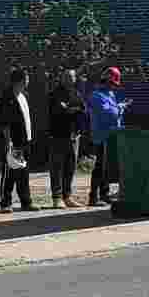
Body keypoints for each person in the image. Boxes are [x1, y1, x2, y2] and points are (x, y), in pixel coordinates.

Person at [0, 71, 37, 210]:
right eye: (26, 79)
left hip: (24, 141)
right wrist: (8, 142)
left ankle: (26, 202)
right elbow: (4, 123)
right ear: (19, 81)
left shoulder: (24, 96)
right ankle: (5, 203)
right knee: (10, 172)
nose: (28, 81)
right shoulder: (7, 97)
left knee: (23, 172)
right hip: (13, 142)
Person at [84, 67, 127, 208]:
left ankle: (104, 194)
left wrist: (118, 107)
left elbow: (112, 111)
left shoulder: (110, 94)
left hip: (111, 135)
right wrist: (120, 108)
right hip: (101, 136)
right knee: (100, 167)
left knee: (107, 167)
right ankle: (93, 197)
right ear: (106, 81)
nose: (114, 87)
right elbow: (108, 114)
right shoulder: (96, 96)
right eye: (112, 84)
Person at [46, 73, 84, 209]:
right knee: (57, 167)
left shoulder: (76, 93)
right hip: (58, 135)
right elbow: (57, 110)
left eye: (72, 77)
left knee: (70, 167)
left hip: (73, 136)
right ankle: (57, 198)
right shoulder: (54, 94)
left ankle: (67, 196)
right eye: (67, 77)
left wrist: (73, 110)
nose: (70, 79)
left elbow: (82, 109)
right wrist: (68, 110)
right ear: (61, 79)